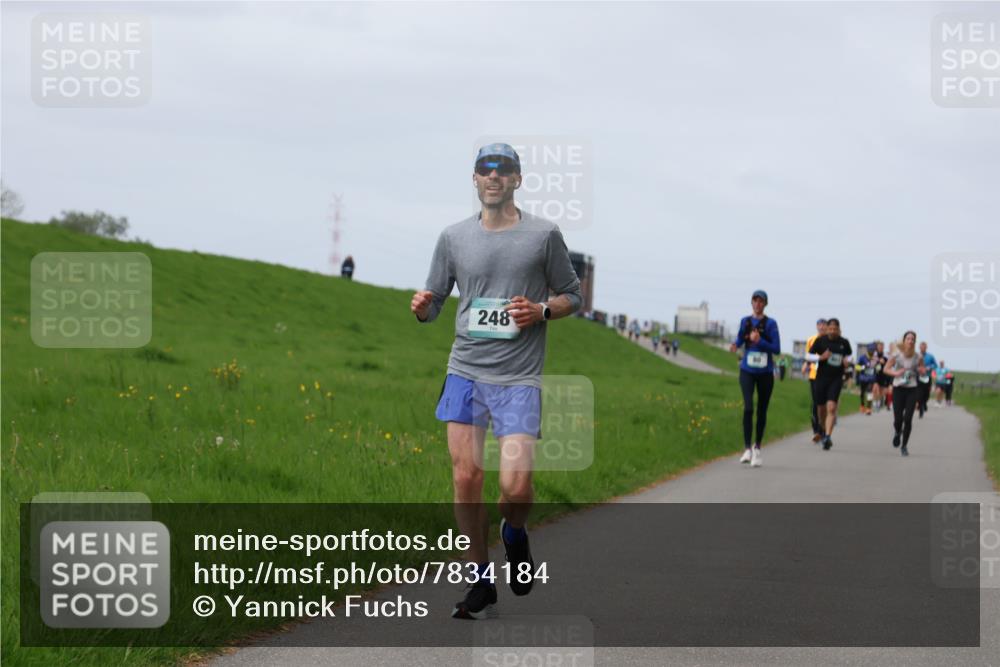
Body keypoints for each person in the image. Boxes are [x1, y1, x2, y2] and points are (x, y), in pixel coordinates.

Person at [411, 143, 582, 619]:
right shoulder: (452, 237)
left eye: (502, 170)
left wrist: (543, 310)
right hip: (465, 370)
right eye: (485, 169)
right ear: (474, 179)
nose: (493, 177)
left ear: (516, 179)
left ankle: (514, 534)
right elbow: (437, 300)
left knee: (517, 488)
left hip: (518, 379)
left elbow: (572, 295)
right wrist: (426, 310)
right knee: (466, 477)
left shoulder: (543, 235)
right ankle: (480, 581)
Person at [729, 290, 781, 467]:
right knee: (748, 407)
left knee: (761, 411)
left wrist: (760, 341)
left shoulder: (771, 323)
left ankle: (757, 447)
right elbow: (740, 338)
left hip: (766, 373)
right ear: (751, 303)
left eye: (761, 301)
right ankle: (746, 449)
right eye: (755, 301)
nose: (758, 304)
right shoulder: (746, 321)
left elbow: (776, 349)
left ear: (765, 304)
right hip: (747, 370)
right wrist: (736, 344)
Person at [808, 318, 852, 450]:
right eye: (830, 329)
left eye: (835, 329)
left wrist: (847, 361)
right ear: (827, 329)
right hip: (821, 378)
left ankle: (827, 436)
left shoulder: (844, 342)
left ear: (839, 330)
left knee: (831, 407)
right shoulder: (820, 341)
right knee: (821, 409)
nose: (832, 331)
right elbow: (808, 356)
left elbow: (849, 355)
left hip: (836, 379)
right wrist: (820, 357)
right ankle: (821, 428)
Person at [883, 331, 926, 457]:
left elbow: (922, 370)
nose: (911, 341)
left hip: (912, 389)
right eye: (908, 338)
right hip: (898, 388)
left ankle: (904, 446)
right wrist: (896, 373)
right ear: (904, 340)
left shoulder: (918, 357)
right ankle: (897, 432)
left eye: (913, 339)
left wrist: (922, 371)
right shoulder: (897, 355)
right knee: (898, 419)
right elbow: (886, 369)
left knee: (908, 419)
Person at [802, 319, 828, 443]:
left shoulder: (831, 340)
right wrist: (806, 364)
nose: (822, 327)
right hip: (814, 374)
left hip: (827, 375)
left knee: (824, 404)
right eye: (820, 325)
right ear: (817, 326)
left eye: (824, 325)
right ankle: (816, 431)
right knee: (816, 402)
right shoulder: (811, 340)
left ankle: (823, 429)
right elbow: (809, 355)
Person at [917, 341, 938, 418]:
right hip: (918, 377)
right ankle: (921, 407)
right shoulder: (916, 355)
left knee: (926, 393)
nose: (922, 348)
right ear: (919, 348)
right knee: (919, 393)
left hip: (927, 376)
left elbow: (935, 365)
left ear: (926, 348)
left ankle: (924, 403)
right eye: (921, 347)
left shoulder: (930, 356)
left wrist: (930, 367)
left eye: (924, 347)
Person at [856, 344, 878, 415]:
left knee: (869, 392)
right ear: (867, 350)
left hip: (871, 379)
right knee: (862, 393)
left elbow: (878, 367)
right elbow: (856, 367)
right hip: (863, 378)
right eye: (870, 350)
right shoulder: (862, 358)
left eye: (873, 350)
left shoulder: (875, 358)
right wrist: (863, 367)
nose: (871, 351)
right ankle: (862, 405)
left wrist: (878, 368)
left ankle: (868, 408)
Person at [872, 340, 891, 413]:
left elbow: (887, 363)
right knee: (875, 389)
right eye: (879, 346)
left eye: (882, 346)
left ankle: (879, 403)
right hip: (875, 374)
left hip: (883, 375)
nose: (880, 348)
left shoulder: (885, 355)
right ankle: (874, 404)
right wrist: (877, 360)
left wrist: (883, 361)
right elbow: (872, 362)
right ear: (877, 347)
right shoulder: (874, 354)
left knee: (880, 391)